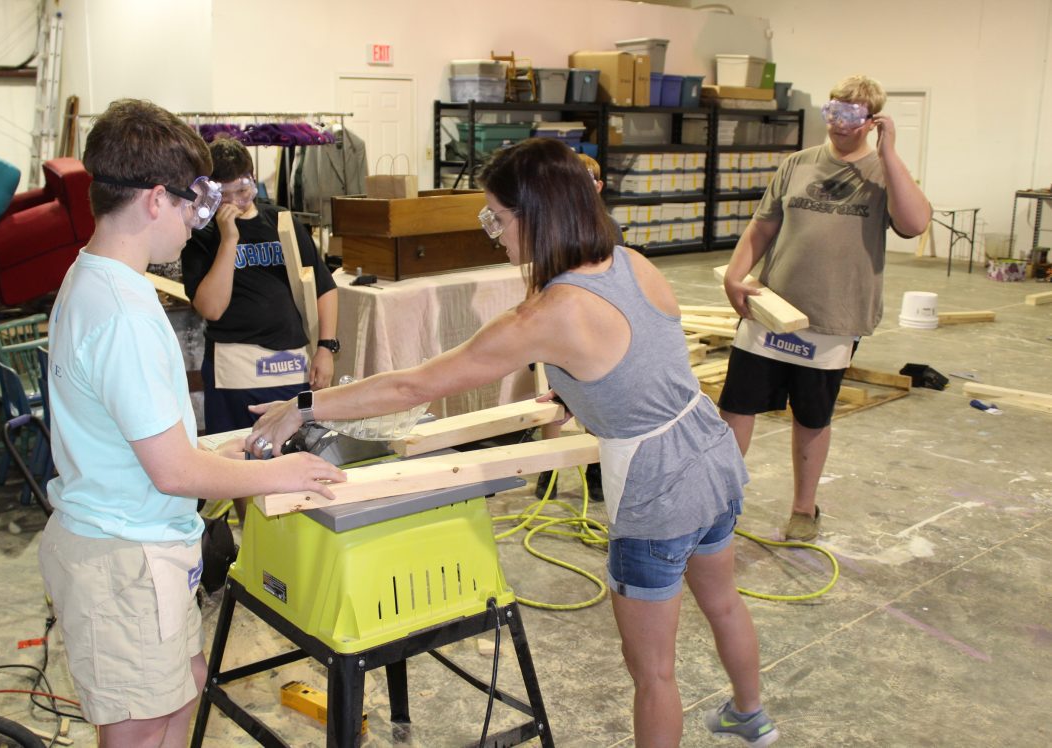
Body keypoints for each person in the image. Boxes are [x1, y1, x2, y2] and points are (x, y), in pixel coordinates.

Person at [245, 138, 778, 747]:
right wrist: (586, 392)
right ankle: (750, 712)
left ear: (539, 214)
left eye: (497, 217)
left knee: (653, 672)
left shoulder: (550, 313)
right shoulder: (632, 262)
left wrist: (304, 405)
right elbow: (645, 362)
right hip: (711, 454)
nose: (494, 232)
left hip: (658, 488)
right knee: (725, 603)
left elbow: (413, 385)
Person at [37, 99, 345, 748]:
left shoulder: (94, 279)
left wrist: (229, 448)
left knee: (179, 702)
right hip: (123, 557)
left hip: (137, 542)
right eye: (192, 206)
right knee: (147, 729)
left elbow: (141, 438)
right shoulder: (124, 309)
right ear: (155, 199)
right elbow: (174, 472)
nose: (196, 223)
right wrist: (278, 473)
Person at [717, 74, 931, 541]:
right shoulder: (798, 164)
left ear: (872, 119)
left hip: (833, 319)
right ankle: (719, 503)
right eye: (834, 111)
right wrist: (736, 276)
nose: (840, 123)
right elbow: (762, 226)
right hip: (770, 309)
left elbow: (915, 225)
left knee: (812, 416)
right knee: (736, 409)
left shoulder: (882, 172)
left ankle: (803, 509)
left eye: (852, 115)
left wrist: (889, 151)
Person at [181, 135, 339, 521]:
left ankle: (291, 540)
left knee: (297, 458)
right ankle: (251, 540)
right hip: (235, 370)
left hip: (289, 365)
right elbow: (211, 308)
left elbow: (323, 286)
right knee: (242, 464)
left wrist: (325, 347)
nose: (242, 197)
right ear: (213, 192)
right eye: (231, 191)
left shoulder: (281, 221)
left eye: (246, 185)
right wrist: (229, 239)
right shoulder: (201, 236)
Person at [532, 152, 620, 502]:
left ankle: (596, 467)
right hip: (559, 327)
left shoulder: (608, 229)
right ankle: (548, 467)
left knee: (594, 398)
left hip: (594, 329)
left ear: (598, 187)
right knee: (555, 396)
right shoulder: (550, 228)